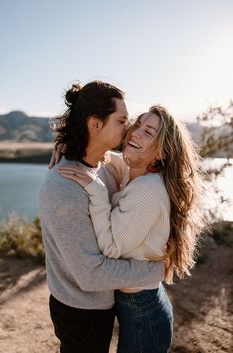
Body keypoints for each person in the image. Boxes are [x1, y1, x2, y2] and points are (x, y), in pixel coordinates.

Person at [58, 105, 207, 353]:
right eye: (138, 125)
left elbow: (110, 248)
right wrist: (67, 148)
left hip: (142, 309)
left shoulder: (147, 190)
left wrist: (96, 191)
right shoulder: (134, 171)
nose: (136, 133)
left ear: (162, 152)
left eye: (149, 132)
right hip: (138, 302)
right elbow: (107, 157)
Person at [38, 81, 164, 353]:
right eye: (121, 121)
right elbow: (91, 275)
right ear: (95, 125)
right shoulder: (65, 186)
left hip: (100, 305)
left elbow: (147, 169)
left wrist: (63, 142)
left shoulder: (103, 165)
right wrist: (159, 269)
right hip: (81, 311)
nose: (129, 128)